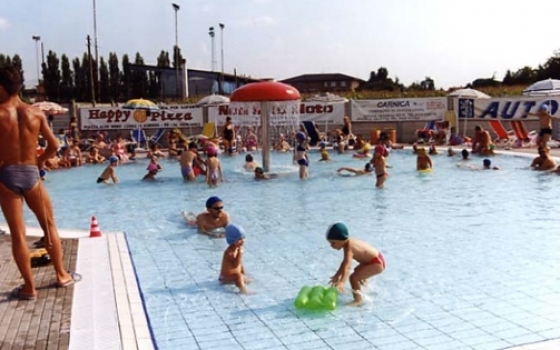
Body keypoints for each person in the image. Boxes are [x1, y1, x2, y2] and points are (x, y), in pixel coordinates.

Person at [0, 66, 77, 300]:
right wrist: (40, 163)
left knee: (18, 233)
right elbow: (54, 145)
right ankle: (61, 274)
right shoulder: (36, 113)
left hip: (6, 175)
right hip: (31, 173)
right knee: (49, 226)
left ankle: (29, 288)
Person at [326, 222, 385, 306]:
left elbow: (347, 267)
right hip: (374, 260)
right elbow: (344, 263)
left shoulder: (349, 248)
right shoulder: (347, 243)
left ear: (341, 240)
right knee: (357, 271)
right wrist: (337, 275)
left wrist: (342, 282)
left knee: (353, 278)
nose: (331, 246)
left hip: (376, 263)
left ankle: (358, 300)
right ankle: (363, 285)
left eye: (333, 243)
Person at [220, 224, 250, 294]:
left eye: (243, 238)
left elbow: (240, 263)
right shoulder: (230, 252)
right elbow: (236, 264)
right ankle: (243, 291)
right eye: (239, 239)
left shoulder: (237, 248)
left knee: (246, 278)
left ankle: (239, 280)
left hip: (233, 275)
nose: (242, 241)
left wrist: (243, 272)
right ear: (232, 240)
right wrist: (240, 253)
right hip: (226, 277)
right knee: (238, 276)